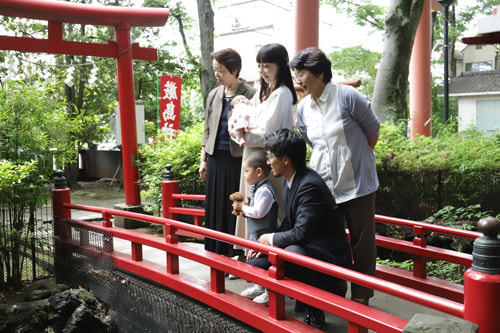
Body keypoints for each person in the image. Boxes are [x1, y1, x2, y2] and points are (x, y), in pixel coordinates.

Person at [290, 47, 380, 306]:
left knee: (362, 243)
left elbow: (372, 130)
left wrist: (357, 157)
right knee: (329, 241)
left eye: (301, 74)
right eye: (296, 75)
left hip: (358, 183)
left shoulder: (347, 96)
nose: (298, 81)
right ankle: (334, 292)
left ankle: (361, 297)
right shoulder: (304, 108)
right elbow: (310, 141)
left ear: (319, 73)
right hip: (324, 185)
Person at [245, 128, 352, 329]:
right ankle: (302, 297)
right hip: (309, 249)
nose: (268, 162)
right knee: (257, 262)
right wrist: (266, 244)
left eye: (270, 157)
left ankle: (315, 308)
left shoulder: (309, 185)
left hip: (328, 257)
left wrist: (271, 239)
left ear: (286, 159)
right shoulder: (292, 179)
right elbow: (289, 223)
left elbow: (301, 233)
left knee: (292, 253)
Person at [230, 43, 297, 257]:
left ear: (281, 66)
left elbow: (268, 132)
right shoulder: (263, 90)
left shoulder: (282, 94)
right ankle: (252, 258)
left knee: (270, 211)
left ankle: (269, 263)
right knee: (253, 207)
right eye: (259, 66)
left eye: (267, 66)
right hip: (253, 155)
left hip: (271, 160)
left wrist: (243, 135)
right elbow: (245, 114)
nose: (262, 71)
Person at [199, 48, 257, 257]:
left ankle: (236, 253)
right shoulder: (214, 94)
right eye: (215, 70)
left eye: (221, 70)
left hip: (239, 160)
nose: (217, 74)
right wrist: (203, 160)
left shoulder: (250, 94)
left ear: (234, 70)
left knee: (236, 205)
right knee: (215, 207)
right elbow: (207, 129)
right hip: (215, 159)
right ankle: (217, 253)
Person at [233, 150, 278, 305]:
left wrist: (242, 207)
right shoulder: (258, 188)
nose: (245, 175)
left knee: (264, 263)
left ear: (258, 172)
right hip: (257, 233)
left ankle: (267, 292)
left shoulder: (264, 190)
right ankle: (259, 286)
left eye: (246, 171)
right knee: (253, 258)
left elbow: (259, 212)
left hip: (265, 236)